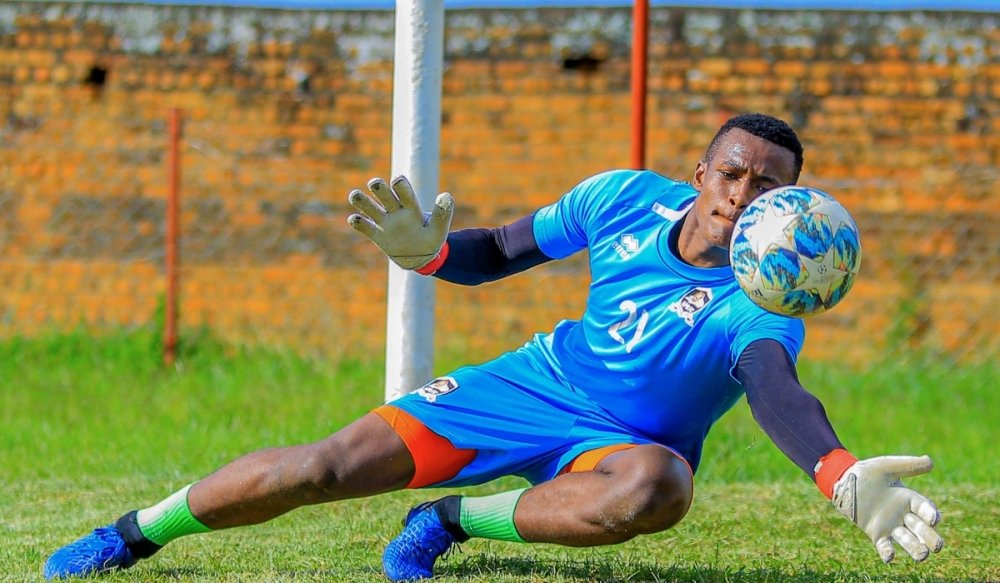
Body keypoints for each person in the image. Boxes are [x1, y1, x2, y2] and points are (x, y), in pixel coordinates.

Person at [43, 113, 944, 581]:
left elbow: (775, 389)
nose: (743, 192)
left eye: (769, 184)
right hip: (529, 383)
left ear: (791, 201)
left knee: (660, 488)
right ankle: (130, 536)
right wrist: (429, 253)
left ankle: (447, 520)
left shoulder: (761, 303)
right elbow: (502, 251)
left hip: (618, 445)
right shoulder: (622, 200)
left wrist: (838, 472)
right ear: (702, 171)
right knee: (322, 467)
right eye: (733, 171)